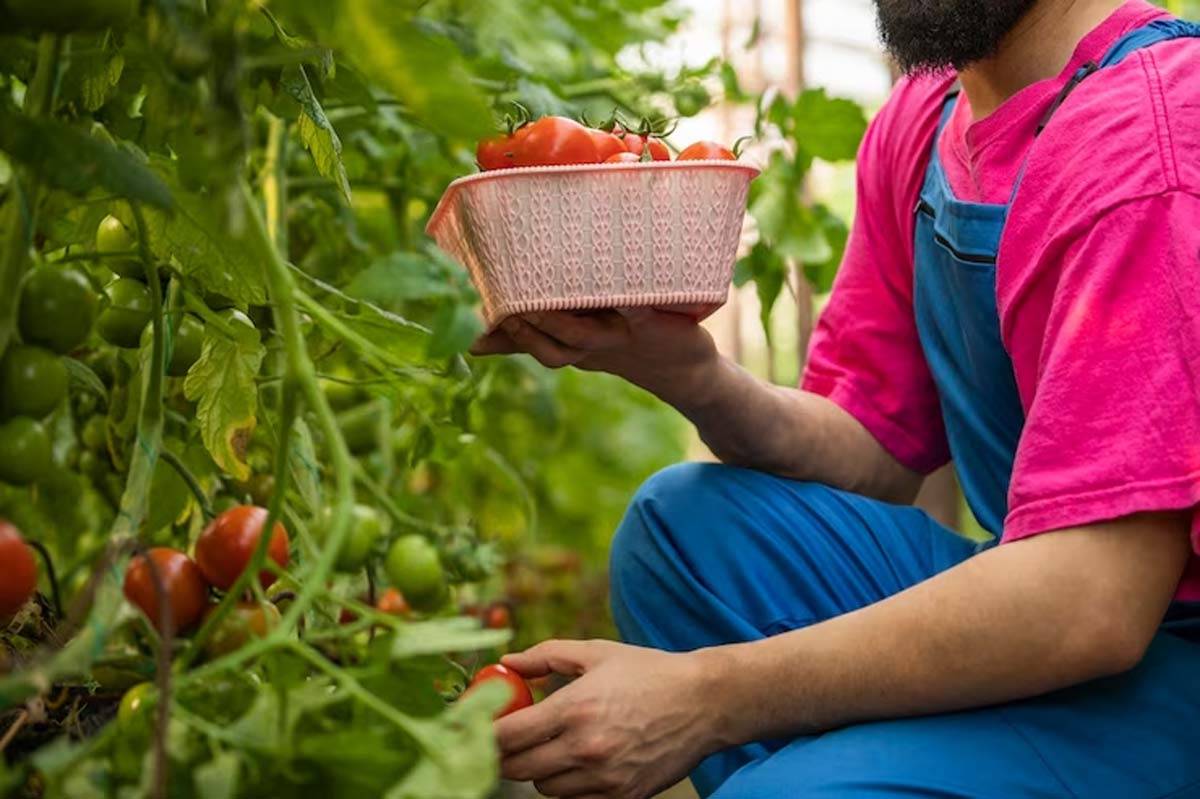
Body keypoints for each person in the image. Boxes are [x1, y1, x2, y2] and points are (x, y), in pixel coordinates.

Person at [472, 0, 1200, 796]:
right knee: (684, 533)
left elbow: (1092, 599)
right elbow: (876, 446)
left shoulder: (1149, 145)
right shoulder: (927, 121)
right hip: (1062, 595)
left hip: (1161, 658)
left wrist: (708, 697)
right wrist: (688, 373)